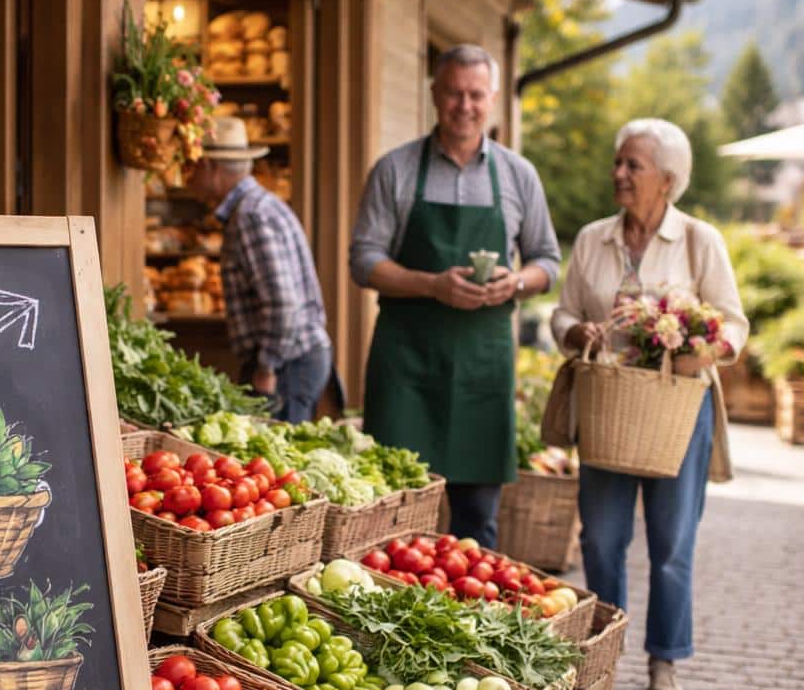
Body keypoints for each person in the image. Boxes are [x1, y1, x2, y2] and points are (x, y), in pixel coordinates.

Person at [550, 118, 749, 690]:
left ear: (667, 179)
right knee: (603, 541)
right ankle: (602, 658)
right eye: (618, 162)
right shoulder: (592, 239)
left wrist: (701, 352)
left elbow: (733, 322)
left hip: (677, 414)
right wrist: (574, 330)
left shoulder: (698, 241)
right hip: (611, 409)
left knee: (671, 542)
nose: (619, 174)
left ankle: (664, 660)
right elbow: (559, 316)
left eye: (632, 165)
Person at [350, 44, 562, 546]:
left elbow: (547, 261)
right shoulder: (395, 170)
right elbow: (363, 260)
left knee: (477, 528)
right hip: (407, 368)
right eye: (453, 93)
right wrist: (431, 285)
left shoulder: (517, 175)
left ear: (491, 99)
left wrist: (516, 282)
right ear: (434, 94)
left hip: (482, 372)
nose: (464, 106)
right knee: (395, 523)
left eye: (475, 95)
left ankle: (468, 624)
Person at [185, 116, 333, 423]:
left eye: (193, 166)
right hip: (291, 359)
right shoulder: (258, 206)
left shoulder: (251, 217)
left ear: (212, 168)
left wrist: (266, 368)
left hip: (286, 366)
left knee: (281, 462)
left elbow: (282, 303)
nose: (186, 177)